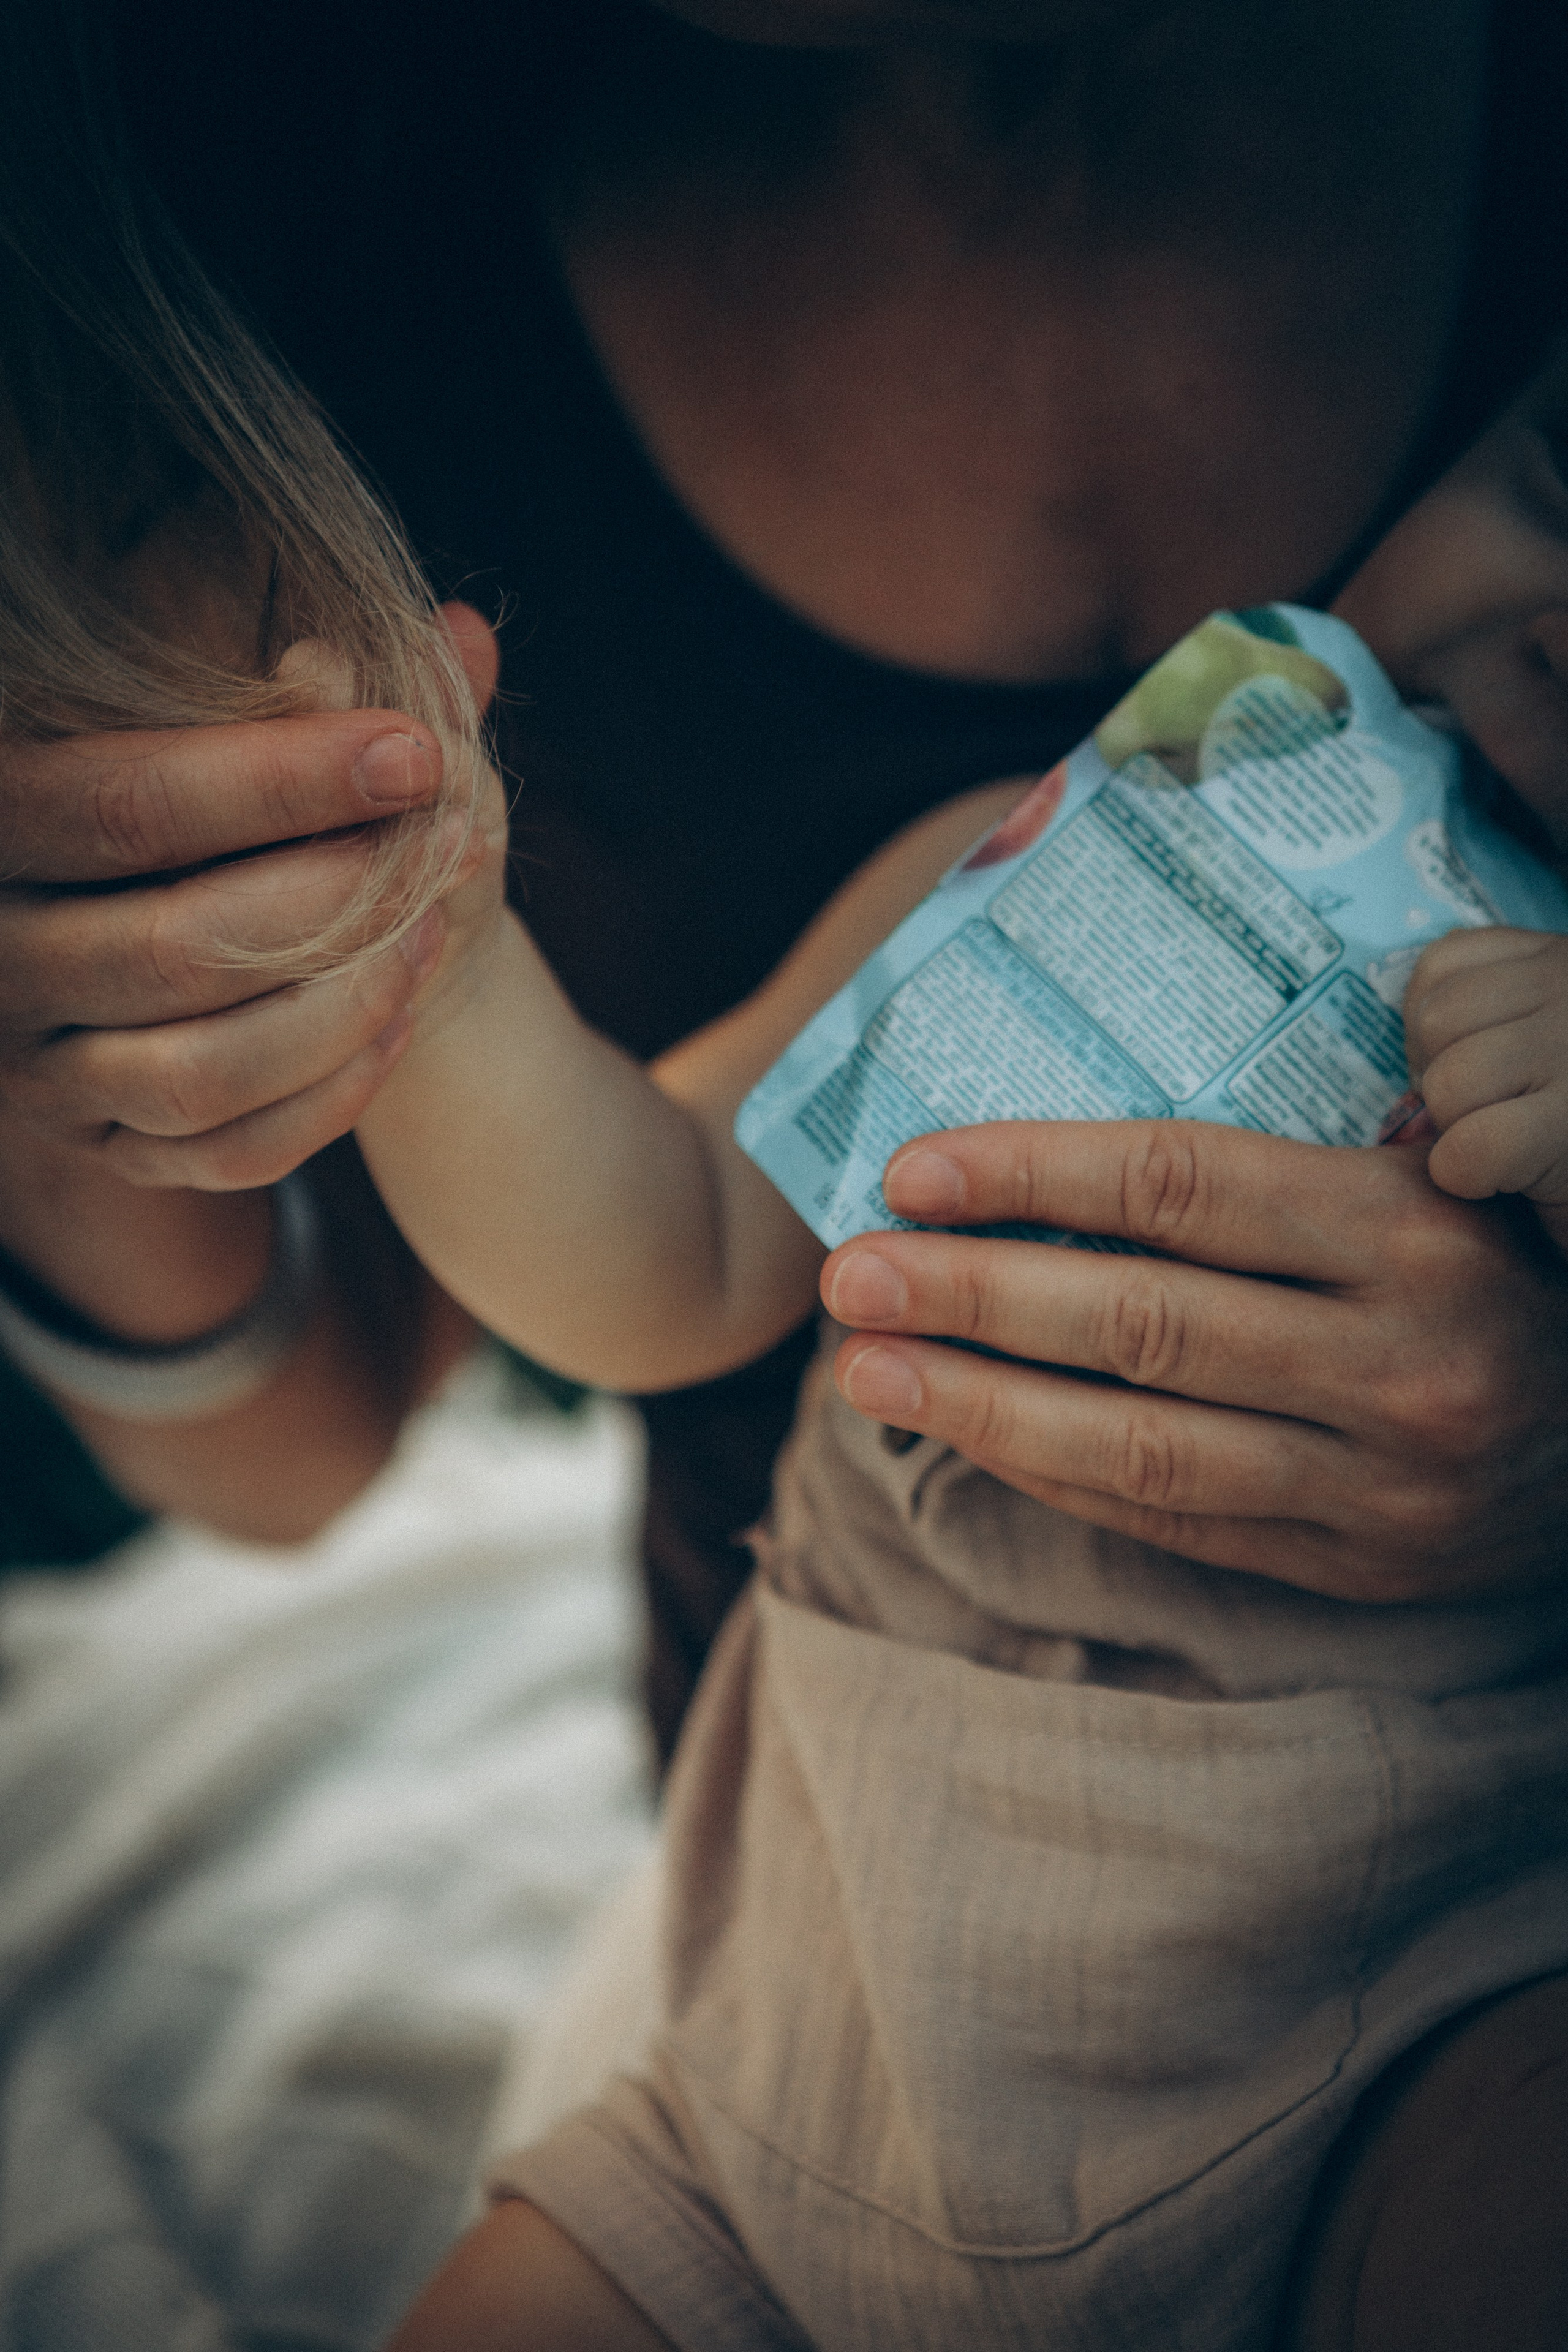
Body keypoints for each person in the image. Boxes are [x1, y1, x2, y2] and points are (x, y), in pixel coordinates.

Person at [296, 362, 1568, 2349]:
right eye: (1558, 478)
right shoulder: (1045, 856)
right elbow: (667, 1246)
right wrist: (438, 967)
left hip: (1402, 2055)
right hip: (788, 2085)